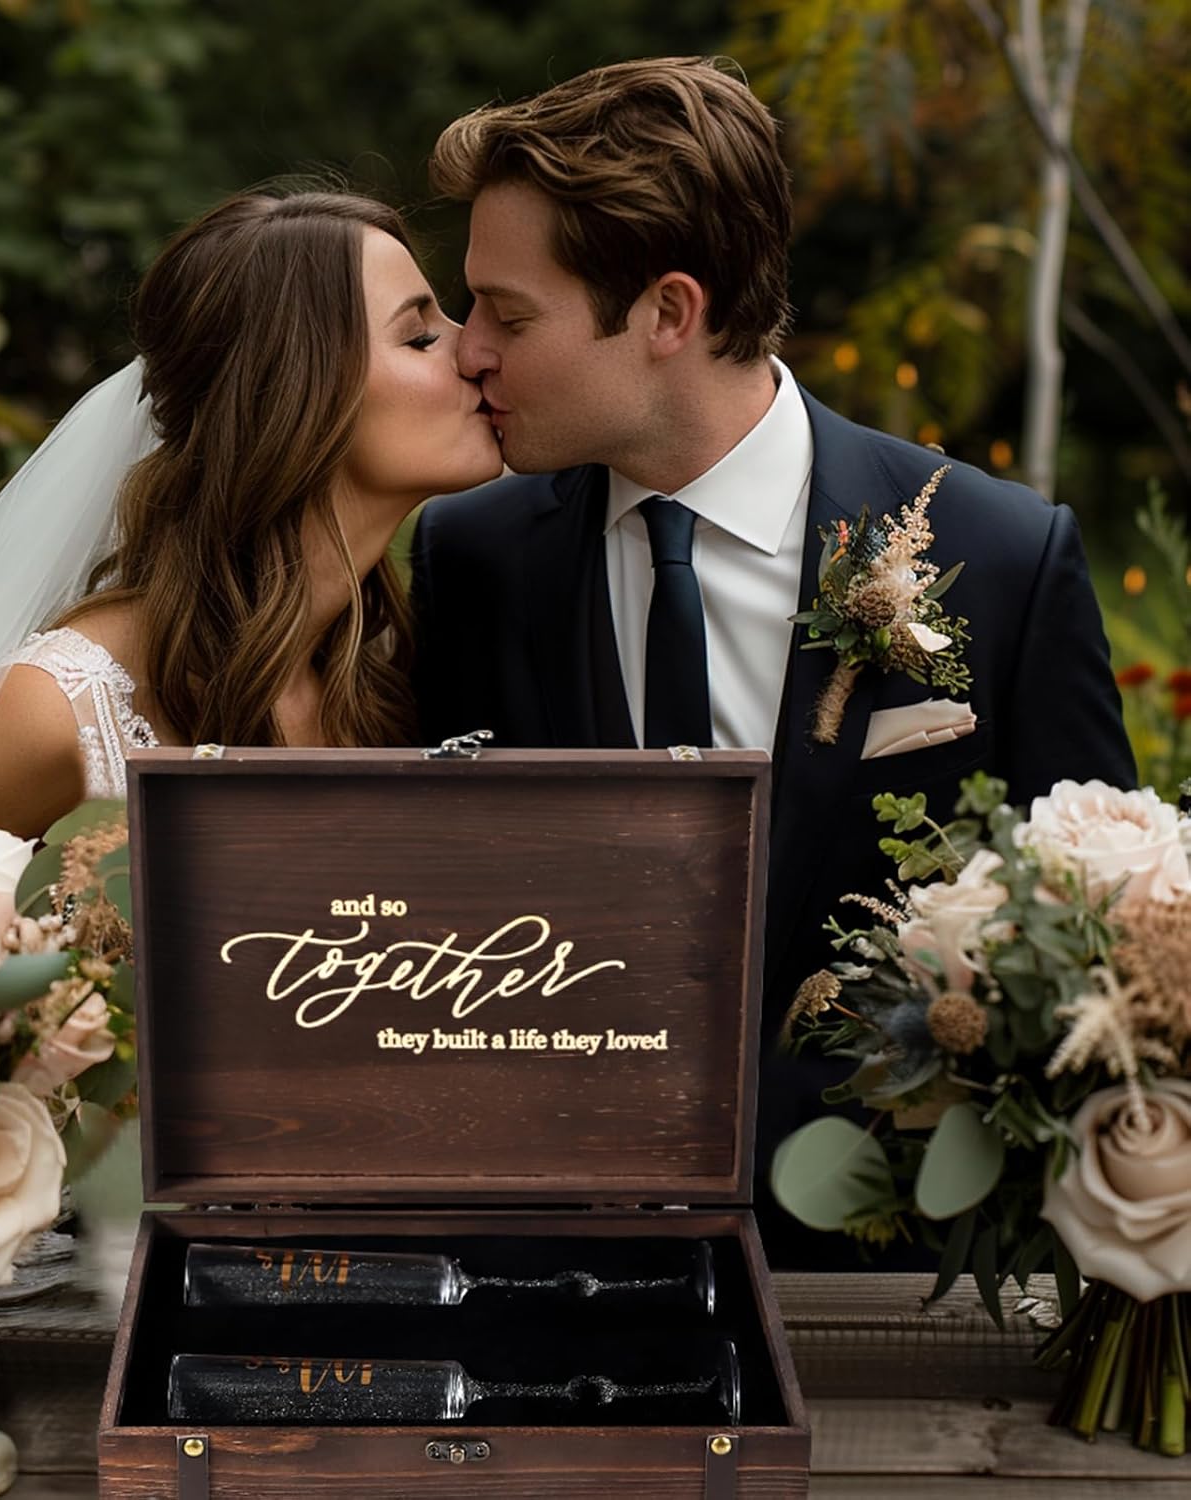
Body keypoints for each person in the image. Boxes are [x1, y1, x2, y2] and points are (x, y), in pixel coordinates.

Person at [410, 57, 1137, 1265]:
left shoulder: (999, 557)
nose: (468, 350)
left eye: (509, 313)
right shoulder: (471, 558)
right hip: (556, 1274)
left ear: (668, 313)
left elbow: (1103, 957)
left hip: (906, 1285)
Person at [0, 189, 502, 837]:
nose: (473, 348)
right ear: (293, 398)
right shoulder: (54, 708)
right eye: (418, 336)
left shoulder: (380, 672)